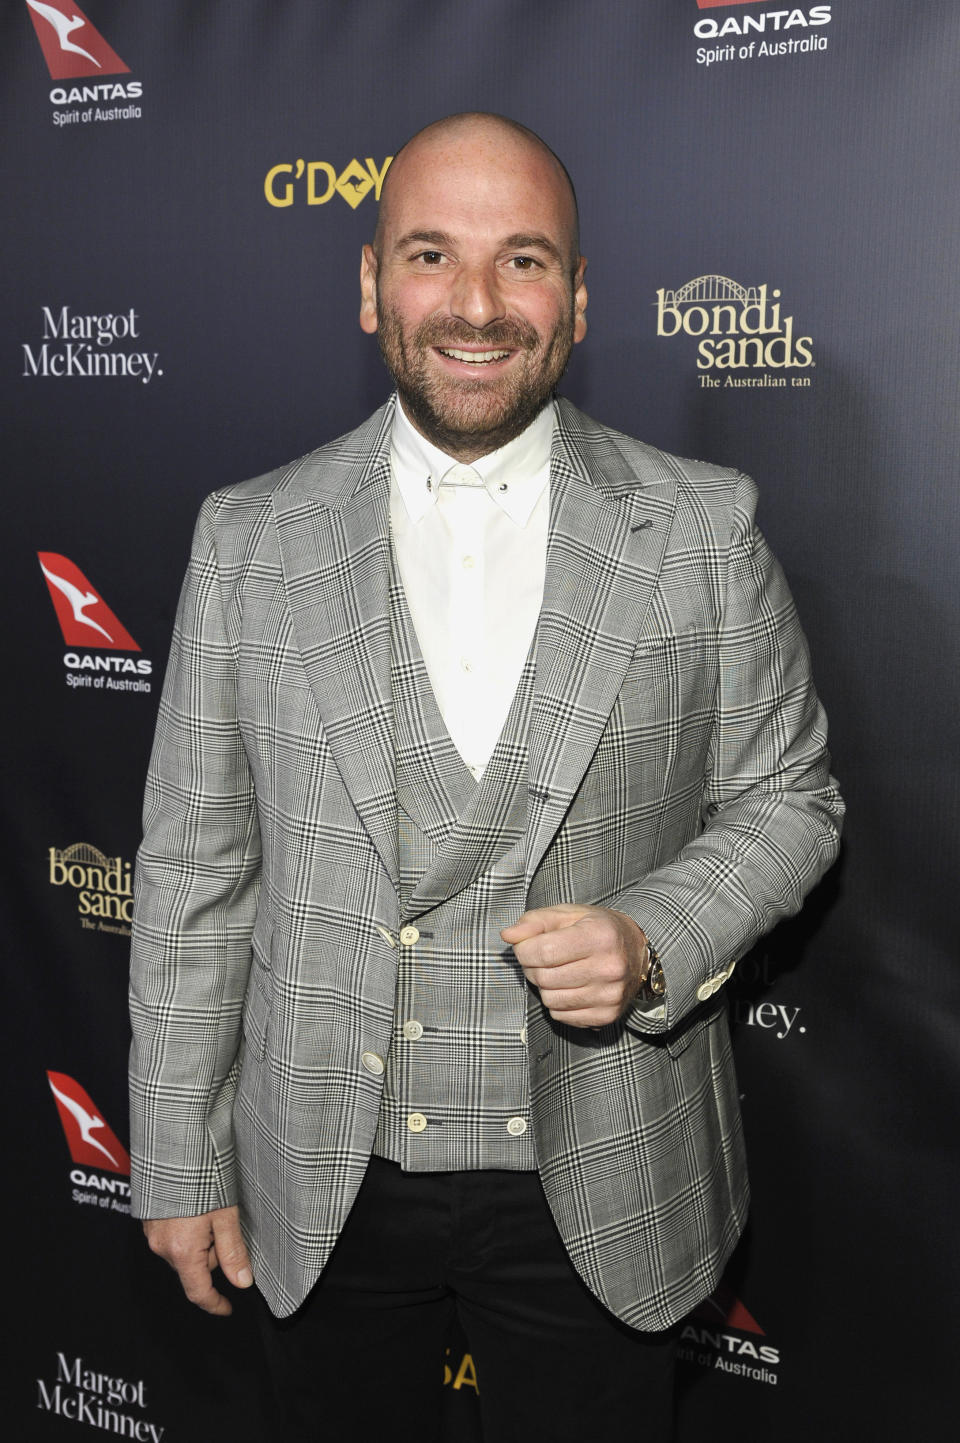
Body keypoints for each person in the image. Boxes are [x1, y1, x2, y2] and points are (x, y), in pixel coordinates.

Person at [130, 112, 843, 1441]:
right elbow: (194, 873)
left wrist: (651, 938)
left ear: (577, 302)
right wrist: (174, 1158)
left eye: (522, 261)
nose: (473, 304)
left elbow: (790, 798)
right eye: (428, 256)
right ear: (367, 286)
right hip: (320, 1175)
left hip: (603, 1171)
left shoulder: (698, 527)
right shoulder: (247, 538)